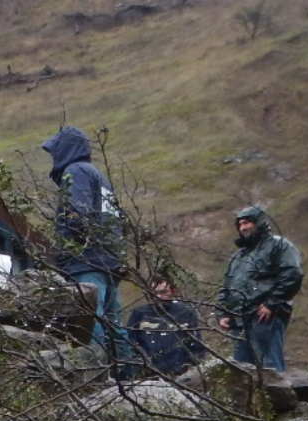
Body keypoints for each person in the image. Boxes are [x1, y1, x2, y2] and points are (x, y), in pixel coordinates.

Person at [41, 126, 124, 355]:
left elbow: (78, 215)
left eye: (55, 151)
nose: (53, 157)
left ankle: (96, 369)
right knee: (115, 324)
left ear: (66, 149)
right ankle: (126, 372)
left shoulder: (76, 171)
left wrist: (73, 251)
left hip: (86, 261)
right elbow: (119, 222)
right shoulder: (100, 178)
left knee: (90, 318)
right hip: (109, 261)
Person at [216, 206, 302, 373]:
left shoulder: (279, 245)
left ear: (259, 222)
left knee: (270, 368)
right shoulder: (238, 256)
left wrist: (271, 304)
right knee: (241, 372)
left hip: (264, 316)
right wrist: (222, 312)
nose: (243, 228)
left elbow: (293, 274)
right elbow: (226, 286)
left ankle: (276, 391)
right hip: (238, 319)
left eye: (247, 222)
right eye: (240, 224)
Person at [126, 275, 205, 376]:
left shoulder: (186, 313)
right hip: (147, 376)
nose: (158, 296)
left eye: (163, 292)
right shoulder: (139, 313)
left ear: (173, 292)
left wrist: (188, 370)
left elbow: (197, 347)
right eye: (154, 292)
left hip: (180, 376)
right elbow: (129, 344)